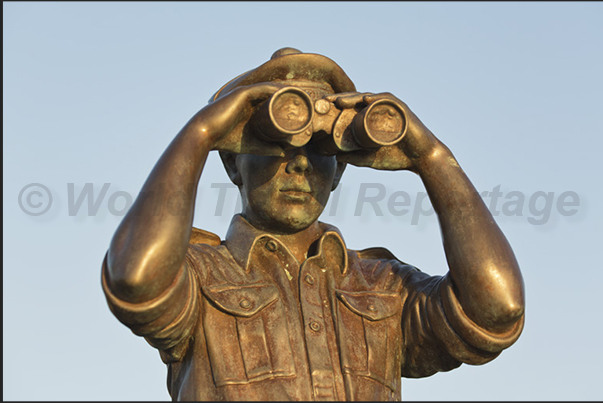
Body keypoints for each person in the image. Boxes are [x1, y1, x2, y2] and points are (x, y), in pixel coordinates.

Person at [102, 48, 525, 401]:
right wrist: (200, 133)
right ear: (233, 161)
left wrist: (432, 159)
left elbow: (496, 311)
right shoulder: (198, 274)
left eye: (320, 149)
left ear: (340, 171)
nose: (299, 163)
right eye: (275, 144)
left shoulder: (382, 285)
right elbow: (135, 278)